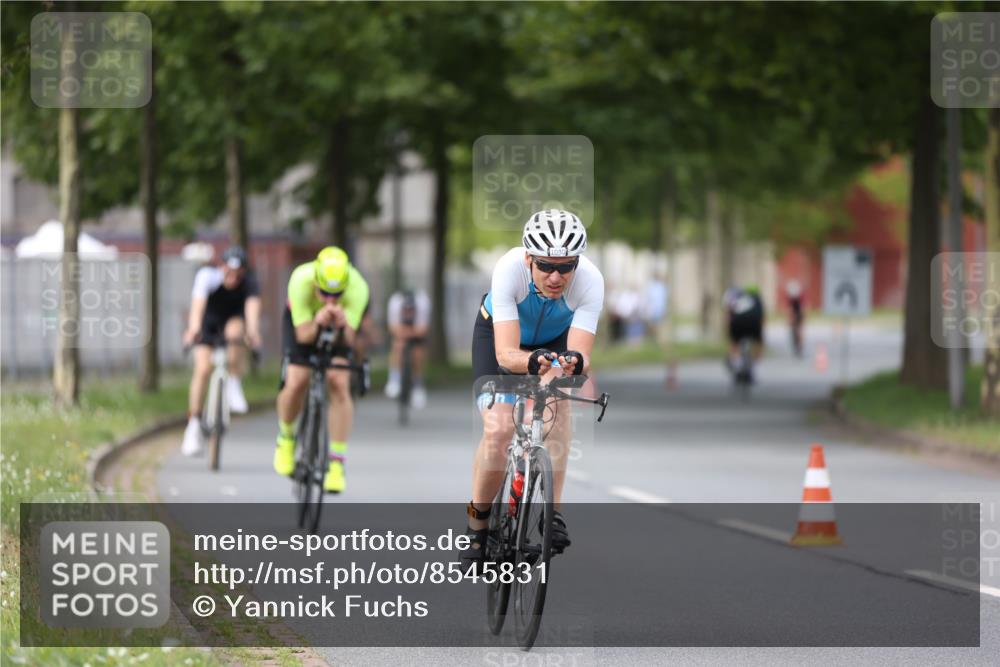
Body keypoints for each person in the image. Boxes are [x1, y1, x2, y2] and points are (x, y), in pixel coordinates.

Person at [461, 209, 604, 571]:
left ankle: (552, 514)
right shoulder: (509, 270)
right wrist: (531, 361)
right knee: (499, 428)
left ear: (577, 263)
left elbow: (582, 355)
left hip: (555, 339)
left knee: (558, 403)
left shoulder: (590, 280)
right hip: (501, 337)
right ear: (529, 259)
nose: (556, 277)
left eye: (566, 267)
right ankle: (477, 524)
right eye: (545, 266)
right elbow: (507, 355)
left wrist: (572, 363)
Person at [272, 247, 370, 493]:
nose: (331, 299)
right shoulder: (300, 279)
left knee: (338, 381)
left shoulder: (358, 288)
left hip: (337, 333)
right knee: (297, 379)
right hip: (303, 325)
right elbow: (303, 335)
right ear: (315, 283)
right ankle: (286, 438)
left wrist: (342, 323)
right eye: (324, 293)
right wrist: (318, 320)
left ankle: (336, 464)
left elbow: (349, 340)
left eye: (337, 294)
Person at [181, 246, 262, 456]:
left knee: (236, 333)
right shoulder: (207, 276)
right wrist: (193, 329)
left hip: (233, 320)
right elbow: (197, 307)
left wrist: (253, 333)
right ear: (222, 267)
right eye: (229, 272)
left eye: (238, 274)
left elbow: (252, 311)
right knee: (203, 369)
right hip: (209, 322)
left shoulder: (250, 283)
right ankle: (194, 423)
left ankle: (234, 383)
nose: (233, 278)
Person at [384, 287, 431, 408]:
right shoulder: (395, 303)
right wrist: (403, 334)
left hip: (416, 331)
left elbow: (423, 330)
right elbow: (393, 328)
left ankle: (418, 384)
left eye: (411, 311)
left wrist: (410, 333)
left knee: (418, 352)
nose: (408, 313)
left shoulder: (423, 304)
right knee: (398, 345)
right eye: (406, 311)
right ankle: (394, 378)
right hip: (401, 332)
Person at [724, 284, 766, 381]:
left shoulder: (734, 296)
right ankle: (755, 363)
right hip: (754, 323)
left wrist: (729, 333)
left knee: (735, 344)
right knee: (757, 344)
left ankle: (735, 361)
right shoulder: (757, 299)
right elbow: (762, 317)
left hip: (737, 322)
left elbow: (728, 315)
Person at [785, 280, 804, 357]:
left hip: (797, 315)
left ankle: (799, 345)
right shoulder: (793, 298)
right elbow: (790, 309)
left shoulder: (796, 299)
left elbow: (792, 309)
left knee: (798, 330)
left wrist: (790, 318)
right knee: (797, 330)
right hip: (796, 314)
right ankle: (798, 344)